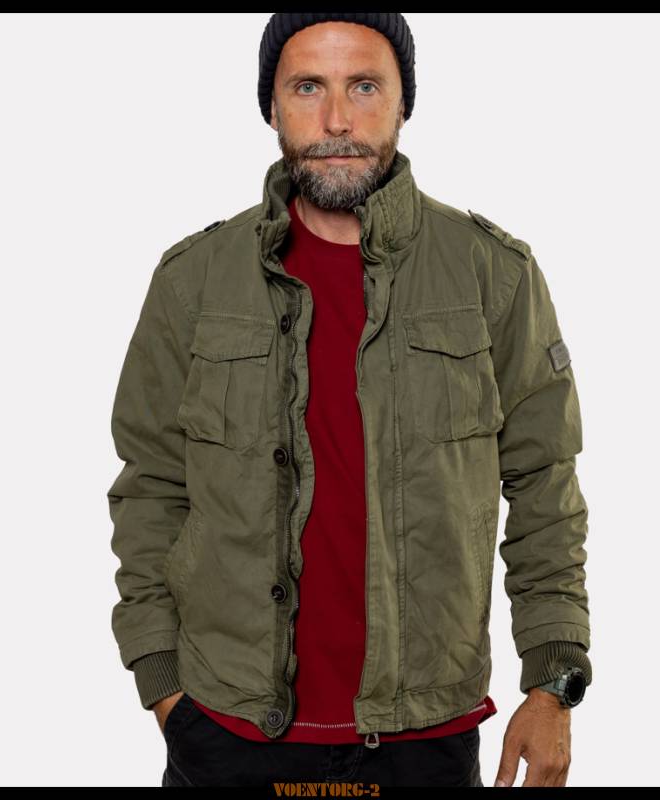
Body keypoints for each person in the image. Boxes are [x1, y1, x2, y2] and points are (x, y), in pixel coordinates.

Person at [107, 13, 592, 788]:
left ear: (404, 101)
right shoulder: (193, 279)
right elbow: (151, 487)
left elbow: (544, 484)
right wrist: (163, 686)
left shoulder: (493, 274)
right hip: (226, 730)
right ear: (271, 106)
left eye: (364, 86)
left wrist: (553, 682)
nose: (337, 120)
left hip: (424, 738)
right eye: (308, 88)